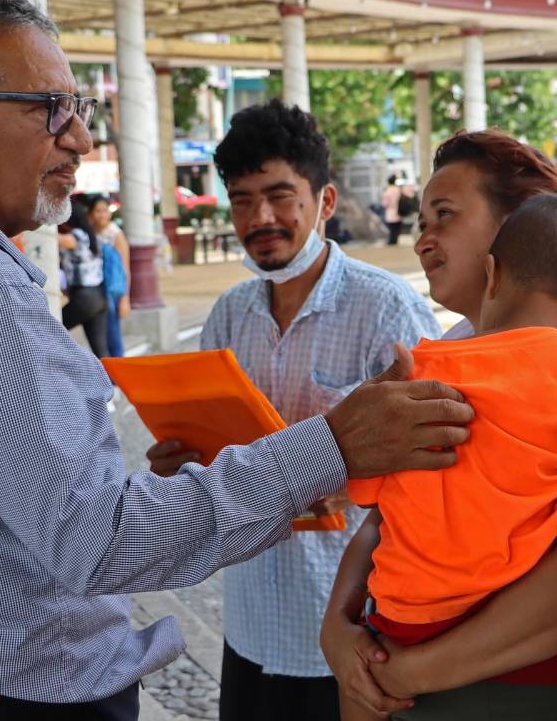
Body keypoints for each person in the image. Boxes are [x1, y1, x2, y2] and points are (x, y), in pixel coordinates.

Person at [0, 0, 472, 720]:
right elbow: (100, 541)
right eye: (49, 108)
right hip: (5, 692)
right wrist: (335, 444)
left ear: (322, 200)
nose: (81, 141)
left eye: (80, 110)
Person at [322, 129, 557, 720]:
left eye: (444, 215)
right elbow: (382, 523)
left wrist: (406, 668)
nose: (424, 239)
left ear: (510, 234)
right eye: (422, 220)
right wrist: (338, 627)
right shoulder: (444, 353)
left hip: (514, 694)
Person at [147, 100, 441, 721]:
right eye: (243, 199)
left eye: (281, 196)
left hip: (356, 635)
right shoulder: (227, 315)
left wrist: (355, 486)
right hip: (251, 626)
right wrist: (182, 459)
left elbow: (441, 463)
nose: (261, 217)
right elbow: (217, 468)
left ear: (325, 201)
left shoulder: (387, 312)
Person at [58, 198, 110, 358]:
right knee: (101, 350)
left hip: (85, 298)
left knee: (49, 329)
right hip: (99, 296)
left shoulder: (75, 236)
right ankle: (114, 382)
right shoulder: (89, 234)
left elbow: (53, 238)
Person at [86, 194, 131, 356]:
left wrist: (125, 299)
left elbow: (125, 267)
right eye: (98, 211)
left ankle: (119, 375)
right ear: (90, 213)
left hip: (112, 291)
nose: (102, 215)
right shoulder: (88, 233)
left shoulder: (115, 234)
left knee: (113, 336)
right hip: (95, 288)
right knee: (99, 337)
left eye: (105, 210)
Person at [381, 176, 402, 245]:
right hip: (399, 210)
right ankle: (395, 239)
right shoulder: (398, 189)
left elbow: (385, 203)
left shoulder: (388, 190)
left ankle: (392, 240)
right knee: (397, 227)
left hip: (390, 210)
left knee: (391, 227)